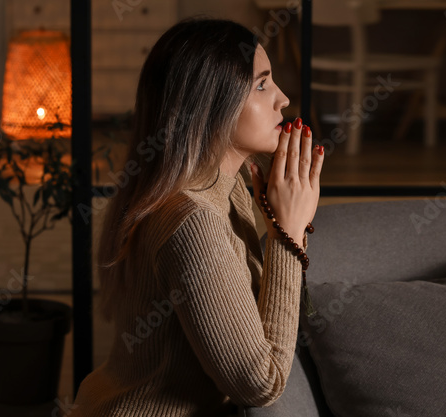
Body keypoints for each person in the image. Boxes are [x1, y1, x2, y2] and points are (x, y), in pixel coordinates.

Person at [73, 17, 324, 416]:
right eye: (261, 84)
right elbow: (260, 385)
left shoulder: (226, 185)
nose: (282, 99)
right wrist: (287, 234)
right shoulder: (193, 219)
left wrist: (280, 222)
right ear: (210, 103)